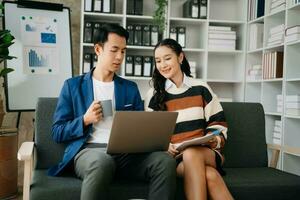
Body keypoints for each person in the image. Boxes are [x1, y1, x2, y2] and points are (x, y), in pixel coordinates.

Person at [48, 24, 176, 200]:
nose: (119, 57)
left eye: (123, 51)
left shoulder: (130, 88)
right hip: (90, 153)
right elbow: (57, 132)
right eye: (114, 50)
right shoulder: (72, 86)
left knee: (165, 161)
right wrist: (85, 119)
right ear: (98, 49)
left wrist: (156, 142)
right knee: (102, 162)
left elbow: (141, 129)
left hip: (126, 156)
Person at [144, 38, 233, 200]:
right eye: (158, 61)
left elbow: (218, 124)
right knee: (210, 175)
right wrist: (164, 146)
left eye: (167, 58)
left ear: (180, 57)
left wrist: (213, 140)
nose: (162, 65)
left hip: (206, 153)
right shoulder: (154, 96)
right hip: (176, 160)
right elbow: (151, 135)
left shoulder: (200, 88)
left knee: (192, 153)